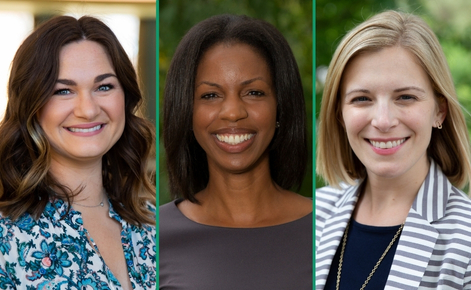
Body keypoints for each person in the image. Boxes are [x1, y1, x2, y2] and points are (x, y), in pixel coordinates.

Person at [316, 10, 471, 289]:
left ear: (440, 111)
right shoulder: (313, 216)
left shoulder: (465, 240)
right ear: (339, 113)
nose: (384, 121)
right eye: (362, 98)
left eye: (406, 97)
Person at [0, 15, 156, 289]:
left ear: (126, 98)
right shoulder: (6, 235)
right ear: (31, 104)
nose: (88, 110)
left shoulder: (154, 222)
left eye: (104, 86)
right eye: (63, 91)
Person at [160, 14, 312, 289]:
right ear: (187, 113)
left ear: (280, 105)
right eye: (210, 95)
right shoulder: (151, 236)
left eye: (253, 92)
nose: (232, 112)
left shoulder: (331, 231)